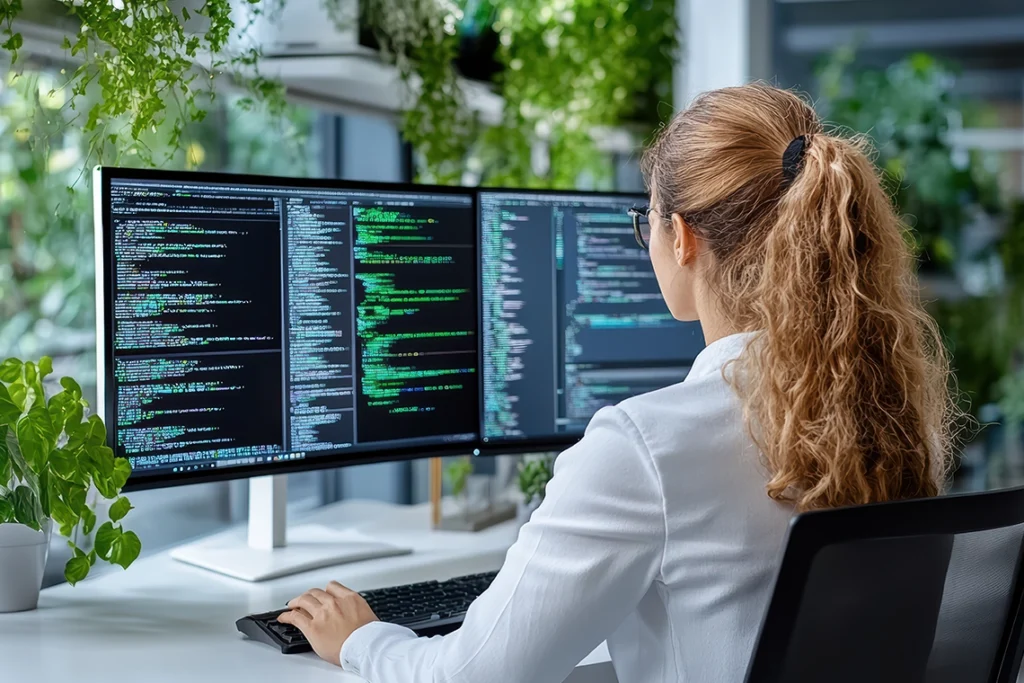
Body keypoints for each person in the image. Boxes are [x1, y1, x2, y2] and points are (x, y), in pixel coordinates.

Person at [278, 83, 959, 682]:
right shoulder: (897, 415)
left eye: (649, 222)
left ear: (682, 238)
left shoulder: (646, 446)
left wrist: (361, 638)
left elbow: (472, 674)